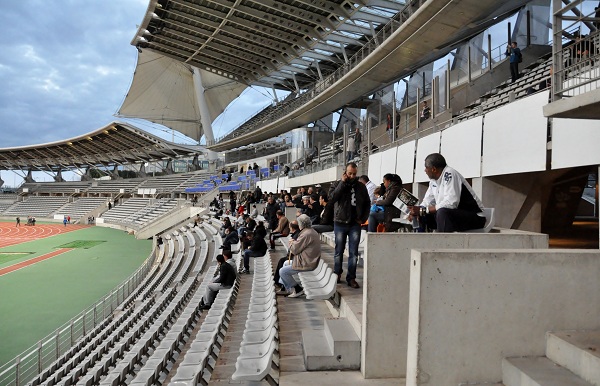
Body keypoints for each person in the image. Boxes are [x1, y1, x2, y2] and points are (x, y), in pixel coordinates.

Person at [409, 153, 485, 232]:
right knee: (421, 214)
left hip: (475, 216)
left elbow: (451, 203)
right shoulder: (433, 181)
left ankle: (444, 243)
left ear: (434, 169)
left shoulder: (449, 174)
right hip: (455, 215)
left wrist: (424, 210)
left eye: (426, 167)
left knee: (442, 212)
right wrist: (417, 210)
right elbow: (428, 201)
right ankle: (421, 241)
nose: (425, 170)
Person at [328, 162, 370, 289]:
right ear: (345, 172)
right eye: (350, 173)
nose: (352, 176)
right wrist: (342, 183)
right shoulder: (336, 184)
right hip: (340, 222)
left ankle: (351, 277)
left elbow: (367, 203)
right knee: (338, 251)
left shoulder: (361, 187)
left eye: (354, 174)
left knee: (353, 253)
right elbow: (332, 198)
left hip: (354, 224)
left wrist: (362, 218)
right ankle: (337, 273)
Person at [277, 214, 321, 298]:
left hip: (307, 263)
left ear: (301, 224)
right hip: (308, 260)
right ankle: (286, 288)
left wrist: (291, 243)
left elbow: (294, 250)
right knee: (286, 263)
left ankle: (298, 289)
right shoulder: (310, 231)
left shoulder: (306, 234)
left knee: (282, 271)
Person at [273, 220, 300, 288]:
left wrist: (291, 244)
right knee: (282, 261)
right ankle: (280, 283)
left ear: (292, 228)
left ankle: (279, 283)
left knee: (282, 262)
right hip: (293, 256)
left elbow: (295, 249)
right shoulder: (296, 234)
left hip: (294, 257)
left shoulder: (296, 235)